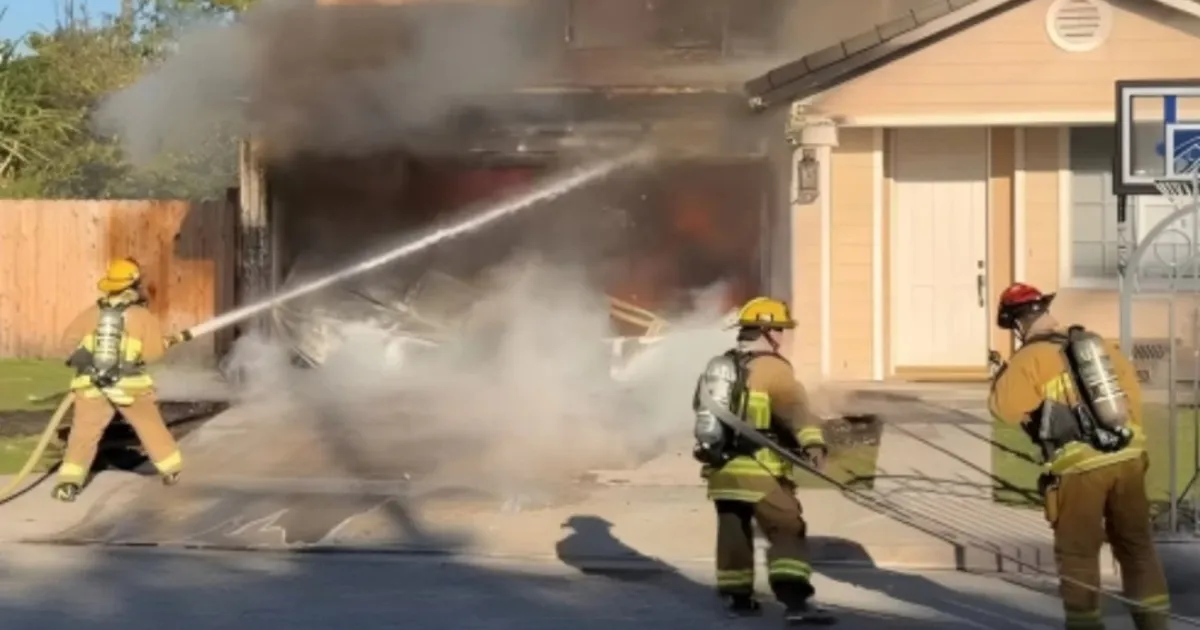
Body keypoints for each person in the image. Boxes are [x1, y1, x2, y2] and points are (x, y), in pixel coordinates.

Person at [988, 282, 1170, 630]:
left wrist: (1003, 377)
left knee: (1078, 555)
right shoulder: (1097, 345)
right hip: (1128, 459)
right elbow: (1132, 397)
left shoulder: (1029, 358)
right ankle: (1156, 626)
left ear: (1017, 324)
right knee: (1137, 549)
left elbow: (1004, 409)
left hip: (1079, 469)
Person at [693, 297, 833, 625]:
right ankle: (796, 602)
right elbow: (795, 411)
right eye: (780, 329)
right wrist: (814, 444)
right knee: (786, 527)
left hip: (722, 470)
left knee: (734, 533)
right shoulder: (774, 368)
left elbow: (701, 411)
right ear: (767, 331)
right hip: (760, 469)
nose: (783, 336)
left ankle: (737, 598)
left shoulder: (723, 366)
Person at [53, 258, 184, 502]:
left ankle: (68, 483)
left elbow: (67, 344)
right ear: (133, 285)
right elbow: (152, 353)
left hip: (91, 386)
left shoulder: (91, 314)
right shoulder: (141, 316)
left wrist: (89, 364)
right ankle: (171, 470)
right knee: (150, 427)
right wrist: (164, 343)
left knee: (83, 434)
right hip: (130, 388)